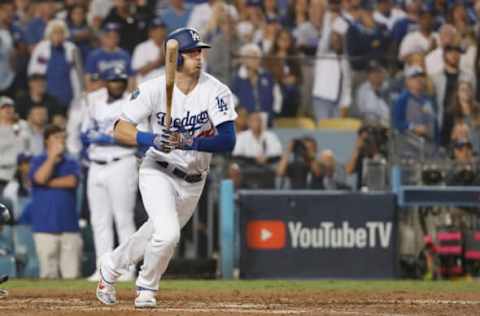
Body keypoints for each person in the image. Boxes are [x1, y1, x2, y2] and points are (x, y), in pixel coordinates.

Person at [95, 27, 237, 308]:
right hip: (157, 169)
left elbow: (228, 141)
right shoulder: (152, 88)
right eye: (192, 52)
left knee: (154, 233)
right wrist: (152, 139)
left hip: (194, 178)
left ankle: (110, 266)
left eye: (200, 52)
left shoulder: (216, 90)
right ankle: (146, 287)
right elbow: (118, 129)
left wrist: (188, 141)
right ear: (176, 59)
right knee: (169, 234)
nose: (199, 57)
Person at [81, 66, 138, 282]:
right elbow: (84, 134)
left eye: (120, 80)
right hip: (96, 164)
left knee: (123, 218)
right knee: (99, 220)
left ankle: (126, 268)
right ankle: (102, 268)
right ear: (106, 82)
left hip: (121, 162)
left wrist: (110, 138)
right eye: (113, 81)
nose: (117, 84)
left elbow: (134, 136)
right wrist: (93, 135)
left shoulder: (132, 103)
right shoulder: (94, 103)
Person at [27, 124, 82, 279]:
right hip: (44, 227)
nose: (61, 140)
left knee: (72, 276)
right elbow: (39, 178)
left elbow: (71, 182)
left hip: (69, 227)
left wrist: (47, 182)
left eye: (62, 137)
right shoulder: (37, 160)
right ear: (46, 141)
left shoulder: (71, 162)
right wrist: (51, 158)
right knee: (47, 275)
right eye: (56, 137)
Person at [131, 16, 167, 84]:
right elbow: (140, 71)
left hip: (167, 87)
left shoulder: (171, 46)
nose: (160, 32)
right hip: (147, 86)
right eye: (156, 30)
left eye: (162, 29)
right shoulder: (142, 48)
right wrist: (159, 61)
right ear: (150, 32)